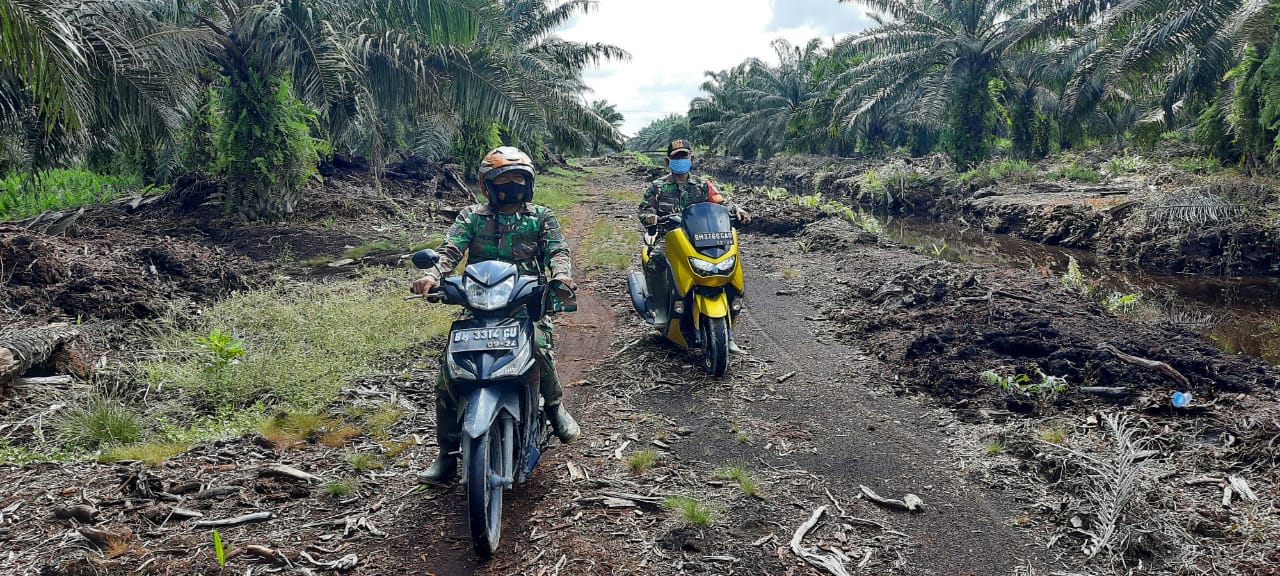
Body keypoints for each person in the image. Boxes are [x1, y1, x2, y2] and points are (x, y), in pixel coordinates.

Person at [412, 146, 580, 484]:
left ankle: (554, 406)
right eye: (503, 180)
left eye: (518, 179)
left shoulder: (541, 216)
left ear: (529, 183)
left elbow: (557, 250)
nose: (511, 185)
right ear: (487, 185)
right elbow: (451, 249)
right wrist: (432, 275)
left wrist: (561, 275)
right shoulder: (472, 216)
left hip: (524, 306)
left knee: (540, 349)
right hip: (477, 307)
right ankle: (446, 453)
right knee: (448, 376)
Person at [637, 139, 751, 351]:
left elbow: (722, 205)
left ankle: (729, 332)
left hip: (703, 237)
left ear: (692, 158)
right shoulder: (657, 187)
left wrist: (738, 210)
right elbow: (644, 210)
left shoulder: (703, 184)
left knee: (728, 265)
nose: (681, 160)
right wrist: (651, 218)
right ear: (668, 161)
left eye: (684, 156)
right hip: (670, 238)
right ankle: (661, 309)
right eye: (676, 157)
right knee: (655, 263)